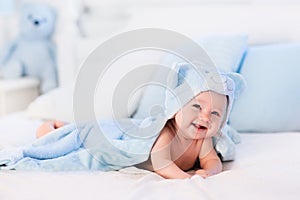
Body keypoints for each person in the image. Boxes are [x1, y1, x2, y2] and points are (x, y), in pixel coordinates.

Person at [36, 90, 227, 179]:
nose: (205, 117)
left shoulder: (203, 140)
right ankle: (54, 130)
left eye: (215, 113)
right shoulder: (167, 132)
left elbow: (211, 160)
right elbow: (161, 162)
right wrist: (184, 178)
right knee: (85, 139)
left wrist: (210, 171)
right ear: (176, 109)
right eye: (196, 106)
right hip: (128, 135)